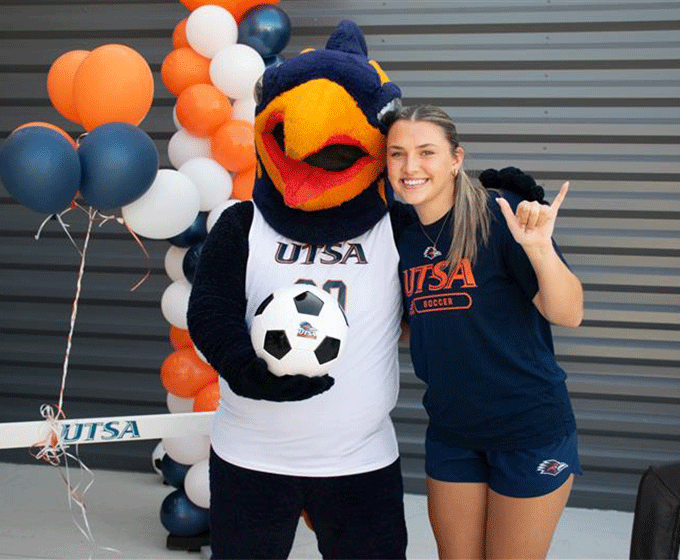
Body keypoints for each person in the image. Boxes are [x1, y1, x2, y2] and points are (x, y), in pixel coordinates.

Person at [386, 105, 584, 560]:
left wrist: (539, 250)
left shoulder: (502, 218)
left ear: (456, 158)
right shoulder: (402, 238)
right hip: (453, 432)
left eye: (426, 152)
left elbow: (569, 313)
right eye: (397, 154)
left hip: (528, 429)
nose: (410, 167)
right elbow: (420, 325)